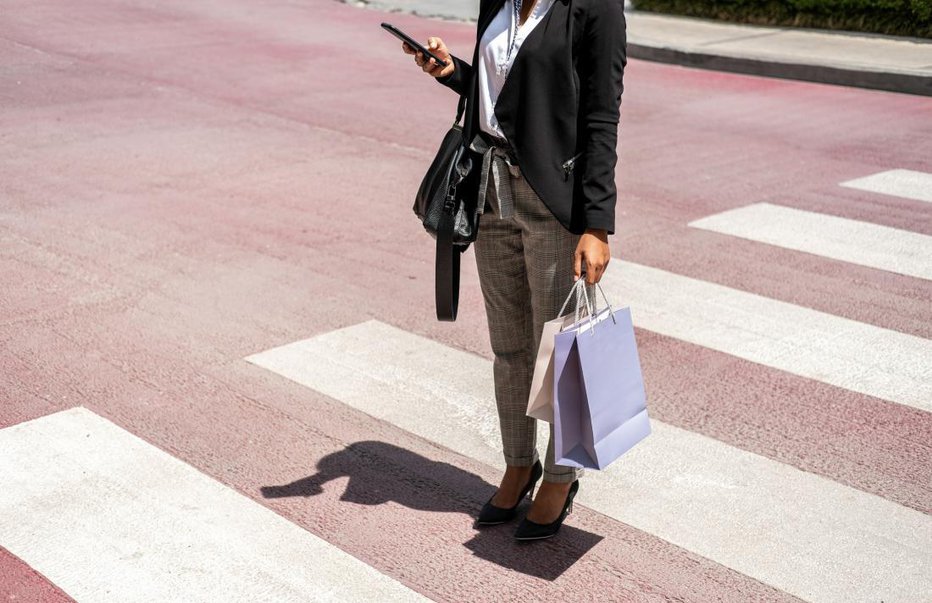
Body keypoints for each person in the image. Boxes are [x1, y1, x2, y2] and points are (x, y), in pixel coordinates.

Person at [402, 0, 626, 540]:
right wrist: (453, 71)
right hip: (489, 191)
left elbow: (601, 115)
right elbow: (503, 91)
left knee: (561, 352)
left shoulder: (595, 8)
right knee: (510, 346)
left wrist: (596, 224)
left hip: (553, 199)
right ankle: (518, 462)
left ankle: (561, 474)